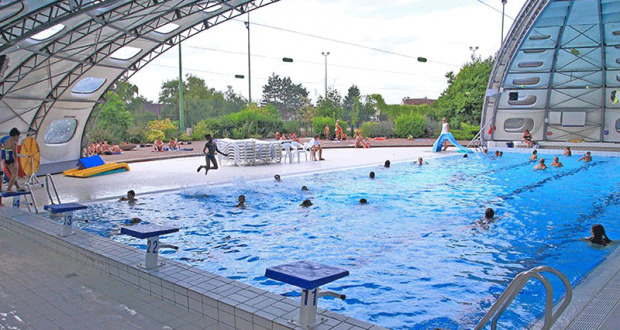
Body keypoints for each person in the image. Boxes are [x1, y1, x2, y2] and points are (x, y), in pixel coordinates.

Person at [4, 128, 22, 192]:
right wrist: (16, 162)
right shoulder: (14, 142)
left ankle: (18, 186)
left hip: (7, 159)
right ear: (16, 135)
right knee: (14, 175)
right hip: (11, 159)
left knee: (12, 174)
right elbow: (14, 153)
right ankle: (9, 189)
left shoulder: (7, 141)